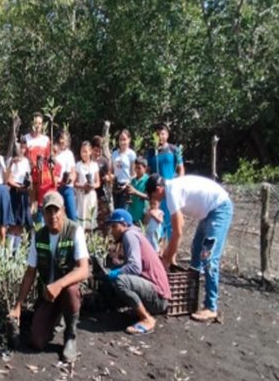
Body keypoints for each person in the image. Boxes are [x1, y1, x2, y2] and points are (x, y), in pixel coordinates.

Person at [8, 191, 89, 362]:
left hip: (67, 291)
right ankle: (55, 319)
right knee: (36, 342)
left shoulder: (75, 231)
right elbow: (30, 273)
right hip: (47, 294)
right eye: (48, 211)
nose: (52, 216)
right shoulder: (39, 236)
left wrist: (59, 285)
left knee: (71, 291)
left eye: (56, 210)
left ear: (63, 210)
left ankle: (70, 336)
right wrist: (18, 306)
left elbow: (83, 270)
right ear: (43, 213)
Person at [146, 174, 233, 322]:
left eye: (152, 195)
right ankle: (190, 295)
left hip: (218, 209)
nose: (153, 199)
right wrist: (169, 255)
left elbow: (178, 231)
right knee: (196, 250)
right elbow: (177, 228)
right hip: (207, 213)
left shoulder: (171, 192)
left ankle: (211, 307)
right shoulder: (172, 189)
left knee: (208, 257)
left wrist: (167, 258)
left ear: (159, 189)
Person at [98, 209, 170, 334]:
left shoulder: (129, 235)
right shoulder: (134, 234)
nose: (112, 231)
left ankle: (146, 319)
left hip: (158, 296)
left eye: (115, 226)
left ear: (124, 225)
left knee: (121, 280)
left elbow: (135, 267)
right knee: (117, 274)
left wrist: (114, 273)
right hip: (154, 292)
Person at [146, 123, 184, 241]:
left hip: (170, 190)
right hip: (157, 193)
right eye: (157, 134)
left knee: (171, 219)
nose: (160, 137)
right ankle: (159, 250)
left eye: (163, 134)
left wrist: (180, 183)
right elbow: (148, 171)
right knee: (157, 221)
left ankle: (171, 250)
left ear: (167, 135)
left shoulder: (174, 150)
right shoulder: (151, 152)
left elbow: (181, 168)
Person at [6, 137, 32, 253]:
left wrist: (29, 183)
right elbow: (8, 180)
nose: (22, 150)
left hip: (24, 194)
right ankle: (8, 253)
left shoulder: (26, 161)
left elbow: (28, 177)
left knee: (20, 225)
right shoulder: (12, 161)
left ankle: (16, 254)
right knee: (13, 224)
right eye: (20, 147)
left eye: (24, 147)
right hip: (15, 193)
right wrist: (18, 187)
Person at [32, 144, 61, 226]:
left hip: (52, 199)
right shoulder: (42, 163)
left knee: (52, 224)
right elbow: (40, 182)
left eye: (55, 152)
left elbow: (55, 184)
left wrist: (52, 171)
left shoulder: (57, 165)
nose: (52, 153)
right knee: (40, 225)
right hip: (42, 200)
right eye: (51, 151)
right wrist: (40, 171)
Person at [74, 141, 100, 231]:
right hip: (82, 195)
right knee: (81, 220)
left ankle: (90, 240)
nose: (83, 154)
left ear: (90, 152)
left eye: (85, 151)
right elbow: (75, 182)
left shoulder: (94, 165)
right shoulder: (78, 165)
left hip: (91, 196)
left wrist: (92, 186)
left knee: (90, 219)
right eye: (82, 151)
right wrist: (83, 186)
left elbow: (98, 183)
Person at [91, 135, 112, 232]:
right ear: (91, 149)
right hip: (90, 193)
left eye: (100, 151)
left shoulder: (104, 161)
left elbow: (109, 176)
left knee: (103, 217)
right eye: (96, 150)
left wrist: (108, 178)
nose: (98, 153)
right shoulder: (88, 160)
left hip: (101, 193)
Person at [111, 130, 136, 209]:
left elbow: (133, 173)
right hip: (116, 186)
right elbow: (112, 170)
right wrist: (111, 178)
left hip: (126, 187)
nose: (122, 142)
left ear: (129, 140)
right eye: (120, 139)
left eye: (124, 139)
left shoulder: (131, 154)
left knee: (124, 211)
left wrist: (127, 184)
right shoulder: (114, 153)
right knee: (116, 211)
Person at [55, 130, 77, 221]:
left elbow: (73, 172)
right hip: (56, 187)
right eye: (61, 138)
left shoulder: (69, 154)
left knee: (72, 215)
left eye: (64, 139)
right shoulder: (54, 154)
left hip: (67, 187)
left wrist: (70, 179)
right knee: (57, 216)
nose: (62, 141)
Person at [126, 157, 150, 225]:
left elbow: (149, 197)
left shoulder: (148, 181)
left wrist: (135, 192)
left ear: (145, 168)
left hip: (142, 214)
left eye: (139, 168)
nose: (136, 170)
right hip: (132, 213)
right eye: (135, 168)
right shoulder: (133, 180)